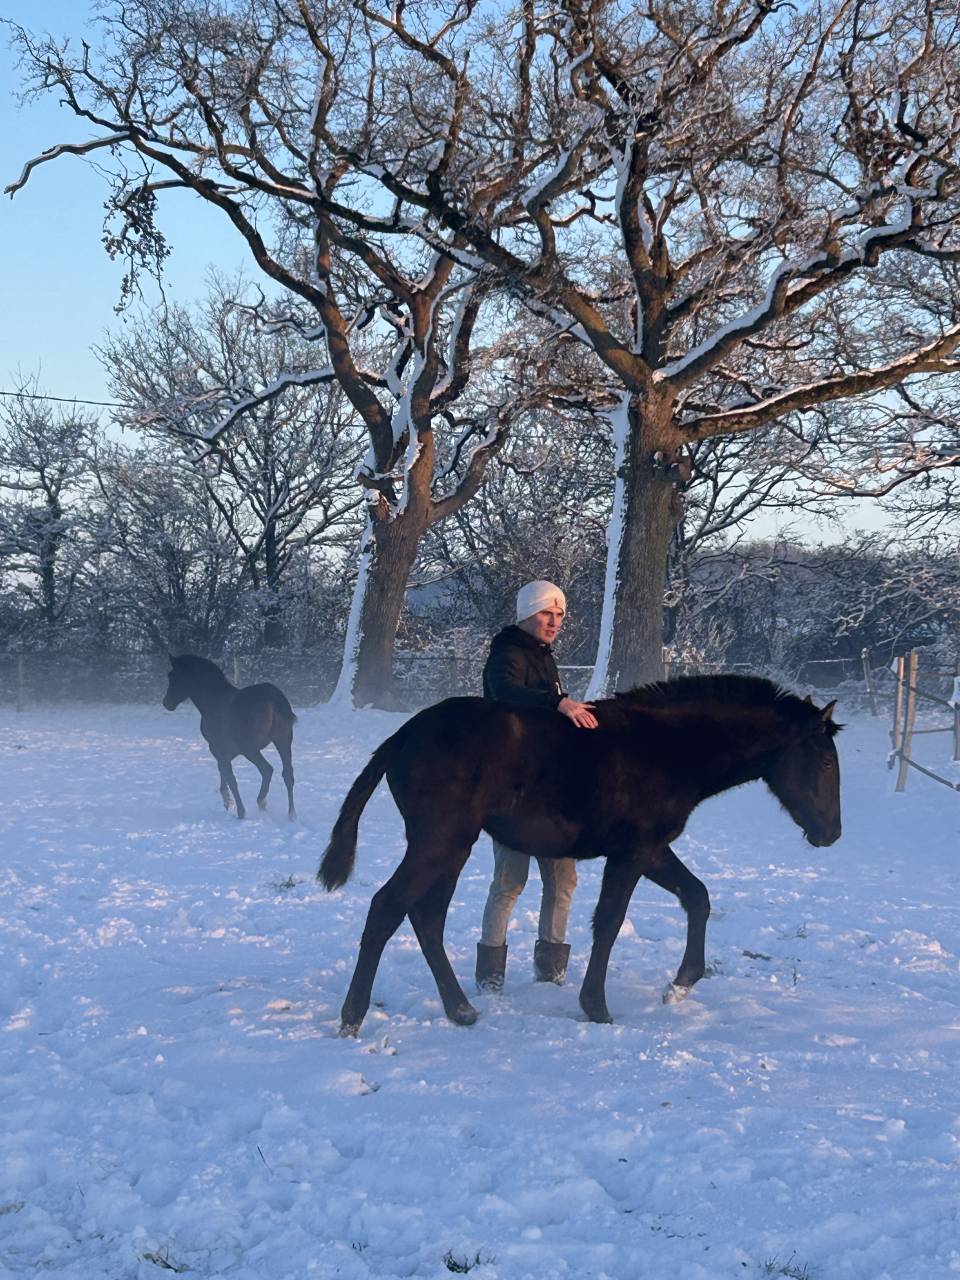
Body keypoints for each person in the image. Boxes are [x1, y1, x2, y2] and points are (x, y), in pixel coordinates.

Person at [475, 579, 598, 993]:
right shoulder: (505, 653)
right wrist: (557, 703)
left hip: (552, 791)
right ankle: (490, 975)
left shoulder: (545, 658)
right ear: (527, 613)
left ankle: (551, 971)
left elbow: (548, 708)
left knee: (563, 881)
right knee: (509, 882)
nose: (554, 621)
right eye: (547, 612)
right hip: (511, 789)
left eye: (560, 614)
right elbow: (507, 694)